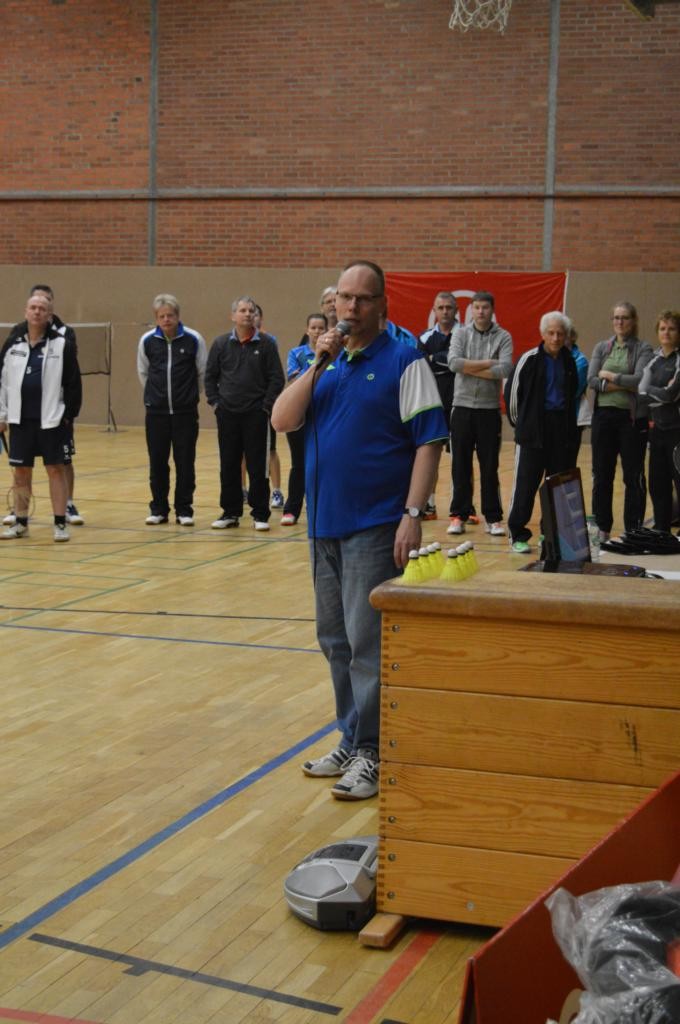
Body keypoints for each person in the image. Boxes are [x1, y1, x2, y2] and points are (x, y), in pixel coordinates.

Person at [271, 260, 447, 801]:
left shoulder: (404, 361)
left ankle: (372, 749)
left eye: (361, 299)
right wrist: (316, 364)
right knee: (335, 640)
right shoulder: (323, 363)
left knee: (367, 643)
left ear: (382, 305)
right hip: (323, 526)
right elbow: (282, 420)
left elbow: (429, 441)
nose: (349, 307)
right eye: (343, 298)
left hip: (375, 525)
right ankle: (350, 738)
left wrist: (412, 514)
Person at [0, 292, 81, 541]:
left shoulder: (62, 345)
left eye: (42, 309)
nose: (37, 312)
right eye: (33, 307)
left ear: (49, 315)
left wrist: (68, 416)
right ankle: (20, 522)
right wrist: (2, 415)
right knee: (21, 473)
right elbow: (3, 382)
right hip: (20, 421)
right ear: (26, 312)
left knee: (55, 469)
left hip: (52, 421)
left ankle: (60, 523)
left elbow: (73, 384)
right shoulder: (12, 344)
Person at [205, 296, 284, 531]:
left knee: (258, 466)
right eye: (242, 310)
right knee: (228, 464)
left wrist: (266, 406)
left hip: (256, 415)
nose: (248, 314)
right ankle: (230, 512)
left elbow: (276, 378)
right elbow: (210, 377)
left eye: (251, 311)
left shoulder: (267, 344)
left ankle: (260, 514)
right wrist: (216, 404)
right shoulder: (220, 344)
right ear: (233, 316)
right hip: (227, 414)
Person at [504, 312, 580, 554]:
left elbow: (572, 396)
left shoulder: (569, 362)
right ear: (543, 334)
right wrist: (522, 426)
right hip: (532, 432)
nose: (556, 338)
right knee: (525, 485)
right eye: (551, 333)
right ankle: (517, 533)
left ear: (566, 336)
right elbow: (511, 394)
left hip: (560, 431)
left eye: (560, 334)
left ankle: (549, 533)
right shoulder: (529, 360)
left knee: (555, 486)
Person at [137, 294, 207, 526]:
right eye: (162, 316)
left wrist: (189, 397)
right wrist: (155, 397)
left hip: (185, 413)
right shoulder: (147, 341)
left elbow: (202, 372)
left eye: (170, 315)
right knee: (157, 462)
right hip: (156, 414)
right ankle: (159, 508)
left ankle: (184, 510)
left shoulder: (194, 339)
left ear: (178, 316)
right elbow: (144, 373)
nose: (166, 319)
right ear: (156, 318)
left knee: (185, 462)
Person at [447, 290, 512, 537]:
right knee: (460, 465)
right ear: (471, 310)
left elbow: (504, 369)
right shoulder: (460, 333)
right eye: (477, 307)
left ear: (492, 310)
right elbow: (454, 363)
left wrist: (469, 367)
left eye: (485, 307)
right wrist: (488, 363)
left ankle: (493, 518)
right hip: (462, 407)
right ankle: (458, 515)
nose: (481, 311)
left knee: (489, 466)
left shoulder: (503, 336)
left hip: (489, 410)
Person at [588, 302, 653, 541]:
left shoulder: (644, 348)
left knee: (633, 476)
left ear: (633, 321)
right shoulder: (602, 347)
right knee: (601, 474)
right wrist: (621, 384)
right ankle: (602, 527)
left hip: (631, 420)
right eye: (616, 317)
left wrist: (609, 376)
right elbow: (591, 380)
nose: (620, 322)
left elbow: (640, 380)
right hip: (603, 418)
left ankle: (633, 530)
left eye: (625, 317)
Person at [419, 290, 476, 522]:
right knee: (431, 455)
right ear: (434, 311)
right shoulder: (424, 338)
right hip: (434, 404)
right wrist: (450, 361)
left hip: (462, 404)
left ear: (457, 310)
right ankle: (429, 505)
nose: (445, 312)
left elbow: (465, 364)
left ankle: (466, 507)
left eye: (449, 308)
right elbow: (424, 365)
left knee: (462, 457)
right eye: (440, 308)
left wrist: (437, 359)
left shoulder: (467, 335)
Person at [280, 312, 328, 526]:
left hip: (324, 414)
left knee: (322, 463)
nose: (317, 332)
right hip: (299, 414)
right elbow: (294, 381)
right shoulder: (296, 353)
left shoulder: (335, 355)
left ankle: (318, 508)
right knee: (299, 463)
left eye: (321, 328)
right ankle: (291, 509)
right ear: (307, 330)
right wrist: (316, 369)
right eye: (313, 328)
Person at [638, 310, 680, 534]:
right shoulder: (653, 360)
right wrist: (660, 392)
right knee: (657, 484)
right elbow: (640, 393)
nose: (666, 333)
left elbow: (671, 395)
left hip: (677, 431)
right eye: (663, 328)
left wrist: (654, 392)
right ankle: (662, 531)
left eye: (671, 328)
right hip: (657, 432)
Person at [252, 303, 284, 509]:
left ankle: (277, 491)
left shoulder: (269, 341)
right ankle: (242, 489)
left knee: (270, 449)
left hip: (263, 404)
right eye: (247, 312)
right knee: (242, 453)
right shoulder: (231, 342)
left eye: (255, 314)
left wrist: (267, 401)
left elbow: (275, 376)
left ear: (261, 319)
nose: (251, 317)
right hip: (241, 407)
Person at [565, 325, 591, 462]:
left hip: (571, 421)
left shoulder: (581, 361)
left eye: (564, 334)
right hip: (550, 420)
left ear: (572, 337)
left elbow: (571, 392)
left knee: (568, 464)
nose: (558, 337)